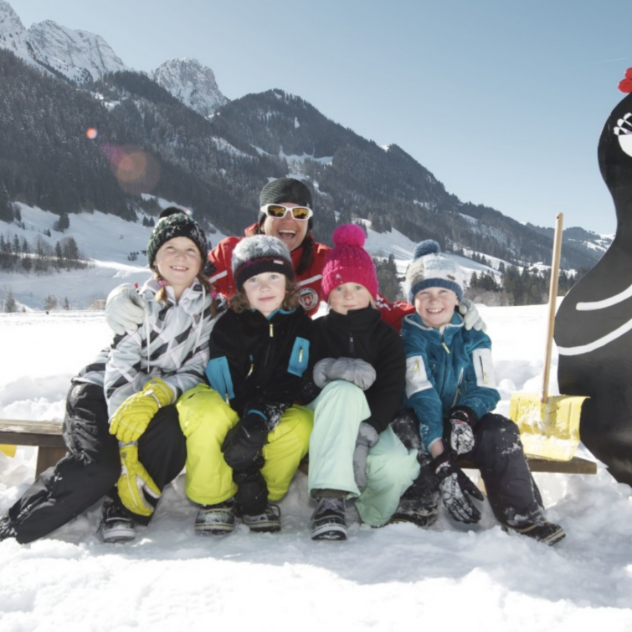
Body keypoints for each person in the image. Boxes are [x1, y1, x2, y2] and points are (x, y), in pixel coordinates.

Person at [0, 208, 217, 544]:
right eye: (170, 248)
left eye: (190, 249)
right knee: (99, 468)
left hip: (151, 397)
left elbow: (196, 367)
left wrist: (159, 393)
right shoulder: (136, 303)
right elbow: (120, 364)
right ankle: (16, 527)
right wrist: (125, 433)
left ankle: (125, 506)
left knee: (174, 432)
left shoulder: (210, 311)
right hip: (100, 391)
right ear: (155, 259)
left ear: (201, 261)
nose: (180, 257)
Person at [103, 177, 487, 331]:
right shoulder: (229, 253)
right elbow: (174, 277)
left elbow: (379, 305)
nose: (289, 221)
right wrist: (126, 296)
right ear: (261, 217)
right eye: (278, 212)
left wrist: (442, 309)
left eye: (300, 213)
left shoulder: (325, 261)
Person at [398, 240, 565, 545]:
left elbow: (485, 386)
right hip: (422, 420)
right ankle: (418, 504)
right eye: (424, 293)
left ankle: (522, 516)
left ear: (458, 297)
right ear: (413, 299)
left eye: (443, 292)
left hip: (462, 423)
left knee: (500, 429)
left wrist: (466, 413)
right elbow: (421, 394)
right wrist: (442, 461)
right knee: (408, 427)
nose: (435, 301)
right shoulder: (408, 336)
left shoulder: (475, 336)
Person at [175, 235, 315, 535]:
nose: (264, 287)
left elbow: (293, 377)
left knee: (302, 422)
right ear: (241, 289)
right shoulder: (229, 324)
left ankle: (262, 490)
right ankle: (216, 497)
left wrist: (262, 416)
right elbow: (226, 380)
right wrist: (247, 424)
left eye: (273, 277)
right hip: (231, 404)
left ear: (288, 283)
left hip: (267, 410)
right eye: (253, 281)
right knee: (209, 415)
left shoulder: (301, 324)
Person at [305, 224, 420, 541]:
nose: (349, 296)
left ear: (371, 291)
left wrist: (370, 429)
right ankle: (331, 500)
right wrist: (326, 370)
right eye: (339, 289)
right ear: (328, 293)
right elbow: (301, 382)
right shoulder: (317, 331)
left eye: (357, 287)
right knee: (343, 389)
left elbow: (391, 388)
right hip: (324, 417)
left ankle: (373, 513)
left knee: (396, 464)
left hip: (371, 420)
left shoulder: (386, 337)